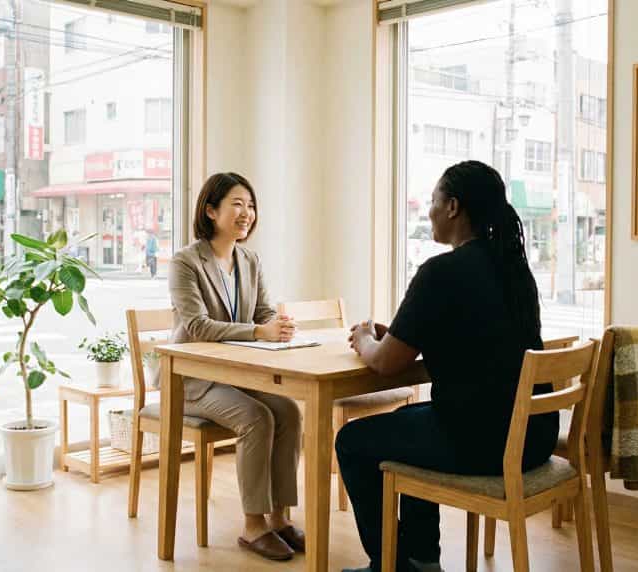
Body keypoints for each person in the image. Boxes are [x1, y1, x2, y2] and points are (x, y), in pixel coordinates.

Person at [336, 161, 556, 572]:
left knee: (352, 441)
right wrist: (400, 333)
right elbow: (467, 336)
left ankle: (392, 565)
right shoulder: (513, 268)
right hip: (533, 435)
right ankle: (421, 558)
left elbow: (385, 363)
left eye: (434, 201)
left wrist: (365, 339)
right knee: (408, 422)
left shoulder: (440, 272)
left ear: (452, 207)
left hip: (484, 441)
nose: (429, 210)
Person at [169, 172, 304, 562]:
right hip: (192, 379)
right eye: (237, 204)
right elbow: (196, 326)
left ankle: (279, 518)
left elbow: (262, 313)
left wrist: (277, 326)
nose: (247, 213)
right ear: (211, 210)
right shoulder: (185, 262)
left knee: (289, 411)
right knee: (257, 417)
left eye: (251, 205)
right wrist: (260, 331)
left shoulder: (250, 259)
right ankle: (253, 525)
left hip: (237, 375)